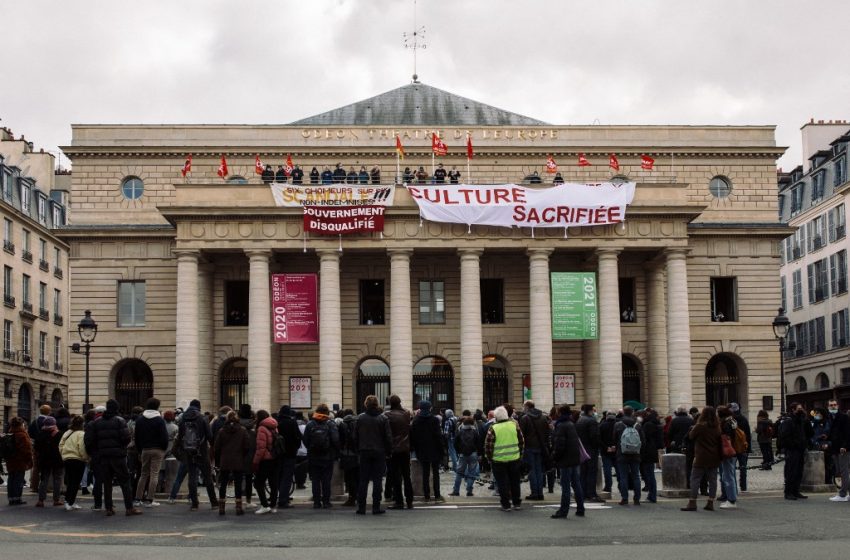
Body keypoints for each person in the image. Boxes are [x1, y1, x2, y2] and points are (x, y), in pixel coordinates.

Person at [84, 399, 142, 516]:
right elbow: (126, 438)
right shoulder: (120, 421)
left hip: (103, 456)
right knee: (125, 482)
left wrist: (98, 451)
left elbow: (90, 441)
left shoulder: (96, 422)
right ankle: (129, 508)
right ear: (116, 408)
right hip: (118, 456)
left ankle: (109, 508)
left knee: (107, 482)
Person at [353, 395, 393, 515]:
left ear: (366, 404)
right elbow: (388, 437)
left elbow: (355, 437)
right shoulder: (383, 418)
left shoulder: (360, 418)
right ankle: (376, 507)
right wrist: (389, 451)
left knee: (363, 480)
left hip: (364, 451)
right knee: (377, 480)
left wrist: (357, 450)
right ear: (377, 404)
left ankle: (361, 507)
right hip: (379, 451)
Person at [176, 399, 218, 511]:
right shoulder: (202, 418)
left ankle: (194, 504)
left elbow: (180, 436)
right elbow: (209, 436)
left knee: (192, 477)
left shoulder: (183, 418)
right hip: (202, 451)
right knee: (207, 477)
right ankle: (214, 502)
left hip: (188, 452)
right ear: (199, 407)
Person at [681, 406, 722, 511]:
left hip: (701, 456)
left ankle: (692, 502)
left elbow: (691, 436)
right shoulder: (717, 426)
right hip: (714, 456)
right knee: (712, 480)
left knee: (695, 478)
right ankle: (710, 502)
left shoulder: (700, 426)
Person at [485, 406, 525, 512]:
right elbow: (521, 441)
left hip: (498, 460)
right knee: (515, 482)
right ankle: (517, 503)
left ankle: (506, 504)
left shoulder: (493, 428)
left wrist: (489, 458)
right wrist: (519, 454)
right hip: (514, 458)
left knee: (502, 483)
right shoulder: (514, 425)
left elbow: (489, 445)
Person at [132, 397, 168, 508]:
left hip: (145, 449)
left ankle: (138, 498)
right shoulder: (160, 420)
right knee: (154, 474)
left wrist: (139, 450)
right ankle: (150, 499)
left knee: (143, 474)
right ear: (157, 406)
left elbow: (136, 437)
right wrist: (163, 449)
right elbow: (164, 437)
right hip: (157, 449)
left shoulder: (140, 420)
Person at [550, 404, 585, 519]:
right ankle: (580, 508)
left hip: (565, 460)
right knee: (576, 485)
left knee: (565, 487)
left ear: (560, 413)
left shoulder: (561, 425)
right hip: (574, 458)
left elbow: (560, 445)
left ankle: (563, 511)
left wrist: (554, 457)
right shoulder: (571, 423)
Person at [303, 403, 340, 509]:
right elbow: (336, 440)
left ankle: (316, 502)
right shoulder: (330, 423)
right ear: (327, 412)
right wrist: (335, 452)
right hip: (327, 457)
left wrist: (311, 448)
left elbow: (305, 440)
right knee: (326, 480)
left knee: (315, 480)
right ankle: (326, 502)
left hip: (313, 457)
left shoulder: (310, 424)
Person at [214, 410, 249, 515]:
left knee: (223, 484)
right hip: (238, 460)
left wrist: (218, 461)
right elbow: (247, 446)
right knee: (238, 484)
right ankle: (238, 507)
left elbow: (217, 448)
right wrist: (242, 455)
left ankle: (221, 507)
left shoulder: (222, 431)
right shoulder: (242, 430)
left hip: (225, 460)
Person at [410, 400, 445, 503]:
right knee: (435, 473)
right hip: (434, 450)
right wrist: (442, 450)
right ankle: (437, 495)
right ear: (429, 408)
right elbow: (438, 436)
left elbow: (413, 438)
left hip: (422, 450)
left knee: (425, 473)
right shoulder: (434, 420)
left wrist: (416, 449)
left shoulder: (416, 420)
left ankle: (427, 495)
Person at [384, 395, 414, 509]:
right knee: (407, 475)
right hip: (405, 448)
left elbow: (387, 433)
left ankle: (399, 501)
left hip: (394, 449)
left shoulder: (387, 415)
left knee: (396, 476)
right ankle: (410, 500)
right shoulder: (407, 414)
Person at [780, 402, 813, 500]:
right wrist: (792, 444)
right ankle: (788, 492)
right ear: (793, 410)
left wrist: (806, 420)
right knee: (791, 471)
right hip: (792, 450)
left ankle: (796, 490)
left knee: (799, 471)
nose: (801, 410)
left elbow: (810, 433)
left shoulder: (802, 421)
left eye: (801, 408)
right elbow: (784, 436)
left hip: (801, 449)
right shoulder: (788, 421)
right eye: (799, 409)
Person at [519, 400, 550, 501]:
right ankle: (540, 493)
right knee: (539, 471)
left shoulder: (525, 418)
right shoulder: (543, 417)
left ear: (527, 407)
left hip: (529, 447)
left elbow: (521, 434)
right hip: (540, 447)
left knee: (532, 470)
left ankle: (534, 493)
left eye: (524, 406)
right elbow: (547, 433)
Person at [614, 405, 644, 506]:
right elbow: (643, 440)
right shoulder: (638, 425)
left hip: (622, 454)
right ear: (632, 413)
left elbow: (614, 439)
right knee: (636, 476)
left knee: (623, 476)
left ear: (623, 413)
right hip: (635, 454)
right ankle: (637, 499)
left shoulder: (618, 425)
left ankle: (624, 498)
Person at [252, 409, 279, 515]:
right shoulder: (274, 426)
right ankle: (273, 506)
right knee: (273, 483)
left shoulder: (262, 428)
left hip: (265, 460)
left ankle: (264, 505)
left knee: (258, 483)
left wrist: (255, 461)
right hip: (275, 458)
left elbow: (261, 448)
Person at [59, 415, 89, 511]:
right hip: (78, 459)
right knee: (75, 482)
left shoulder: (67, 433)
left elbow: (60, 445)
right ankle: (70, 502)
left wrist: (63, 455)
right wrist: (85, 458)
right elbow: (81, 447)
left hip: (67, 459)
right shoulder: (81, 434)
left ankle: (69, 501)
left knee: (70, 481)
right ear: (82, 424)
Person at [34, 415, 64, 507]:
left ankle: (41, 500)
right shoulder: (59, 434)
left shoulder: (40, 434)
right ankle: (56, 499)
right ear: (54, 424)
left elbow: (36, 448)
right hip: (57, 459)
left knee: (44, 479)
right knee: (57, 479)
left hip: (44, 459)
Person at [276, 405, 302, 509]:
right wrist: (296, 447)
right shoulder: (291, 422)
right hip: (290, 453)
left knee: (279, 476)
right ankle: (283, 500)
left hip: (277, 454)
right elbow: (298, 437)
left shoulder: (276, 422)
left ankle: (280, 496)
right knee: (287, 477)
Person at [576, 404, 603, 503]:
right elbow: (594, 437)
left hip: (582, 449)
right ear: (590, 411)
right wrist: (600, 446)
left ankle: (583, 493)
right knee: (592, 472)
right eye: (593, 410)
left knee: (583, 472)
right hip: (591, 450)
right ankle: (591, 494)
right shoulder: (591, 421)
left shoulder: (580, 420)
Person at [451, 416, 481, 497]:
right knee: (471, 473)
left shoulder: (460, 431)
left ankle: (456, 491)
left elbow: (455, 443)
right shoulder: (475, 432)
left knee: (459, 473)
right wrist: (479, 454)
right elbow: (479, 443)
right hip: (473, 453)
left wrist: (458, 451)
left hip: (463, 454)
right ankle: (469, 491)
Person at [716, 406, 740, 508]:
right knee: (731, 475)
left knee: (727, 476)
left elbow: (724, 438)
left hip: (728, 451)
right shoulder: (733, 421)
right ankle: (732, 496)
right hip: (733, 450)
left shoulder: (725, 424)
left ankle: (731, 500)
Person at [5, 417, 32, 505]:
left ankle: (11, 498)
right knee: (19, 479)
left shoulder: (9, 433)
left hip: (10, 460)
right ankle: (17, 498)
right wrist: (29, 460)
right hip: (20, 461)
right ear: (21, 424)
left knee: (11, 479)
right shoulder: (22, 434)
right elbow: (26, 449)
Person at [827, 400, 850, 501]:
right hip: (835, 448)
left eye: (834, 405)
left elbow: (847, 433)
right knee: (839, 471)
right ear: (828, 406)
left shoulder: (843, 417)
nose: (833, 406)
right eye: (831, 405)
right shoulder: (830, 417)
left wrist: (845, 446)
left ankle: (842, 494)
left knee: (844, 471)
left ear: (838, 405)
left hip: (842, 448)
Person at [640, 408, 662, 503]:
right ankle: (652, 495)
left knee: (649, 474)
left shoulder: (648, 425)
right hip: (652, 451)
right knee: (650, 473)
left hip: (647, 452)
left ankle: (652, 496)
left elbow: (643, 438)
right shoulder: (656, 424)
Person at [237, 405, 257, 508]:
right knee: (249, 479)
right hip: (250, 455)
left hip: (237, 456)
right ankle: (248, 501)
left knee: (238, 479)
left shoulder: (236, 426)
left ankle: (238, 501)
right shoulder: (253, 427)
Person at [730, 403, 751, 492]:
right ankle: (743, 486)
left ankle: (733, 486)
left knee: (731, 468)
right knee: (743, 468)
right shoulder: (744, 419)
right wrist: (748, 447)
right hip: (743, 447)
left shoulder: (730, 420)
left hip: (733, 447)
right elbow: (748, 434)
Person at [598, 412, 617, 493]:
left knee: (607, 470)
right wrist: (615, 446)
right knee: (619, 469)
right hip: (616, 450)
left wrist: (606, 448)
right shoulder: (618, 425)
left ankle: (608, 487)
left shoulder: (602, 425)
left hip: (606, 451)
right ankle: (622, 487)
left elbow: (599, 439)